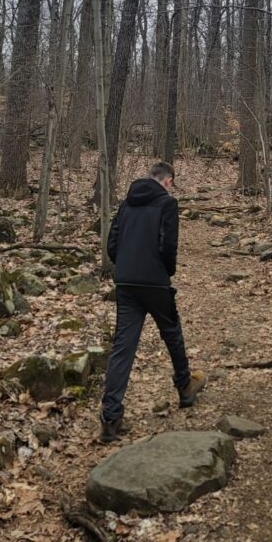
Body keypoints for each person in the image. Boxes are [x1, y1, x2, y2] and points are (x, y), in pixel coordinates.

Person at [99, 160, 206, 442]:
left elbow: (112, 244)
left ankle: (110, 419)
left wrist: (122, 266)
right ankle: (184, 387)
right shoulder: (167, 205)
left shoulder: (126, 204)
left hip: (125, 281)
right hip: (155, 281)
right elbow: (168, 245)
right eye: (172, 182)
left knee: (123, 347)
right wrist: (166, 271)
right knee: (172, 333)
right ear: (168, 180)